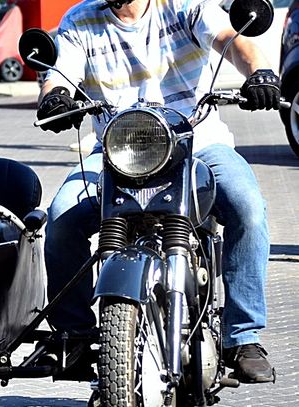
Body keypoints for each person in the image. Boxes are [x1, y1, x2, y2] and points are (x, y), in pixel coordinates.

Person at [36, 0, 280, 384]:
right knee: (62, 216)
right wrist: (55, 96)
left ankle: (242, 336)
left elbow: (232, 41)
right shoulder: (80, 20)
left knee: (248, 207)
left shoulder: (184, 5)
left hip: (198, 142)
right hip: (118, 151)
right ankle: (74, 335)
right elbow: (60, 72)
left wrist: (259, 73)